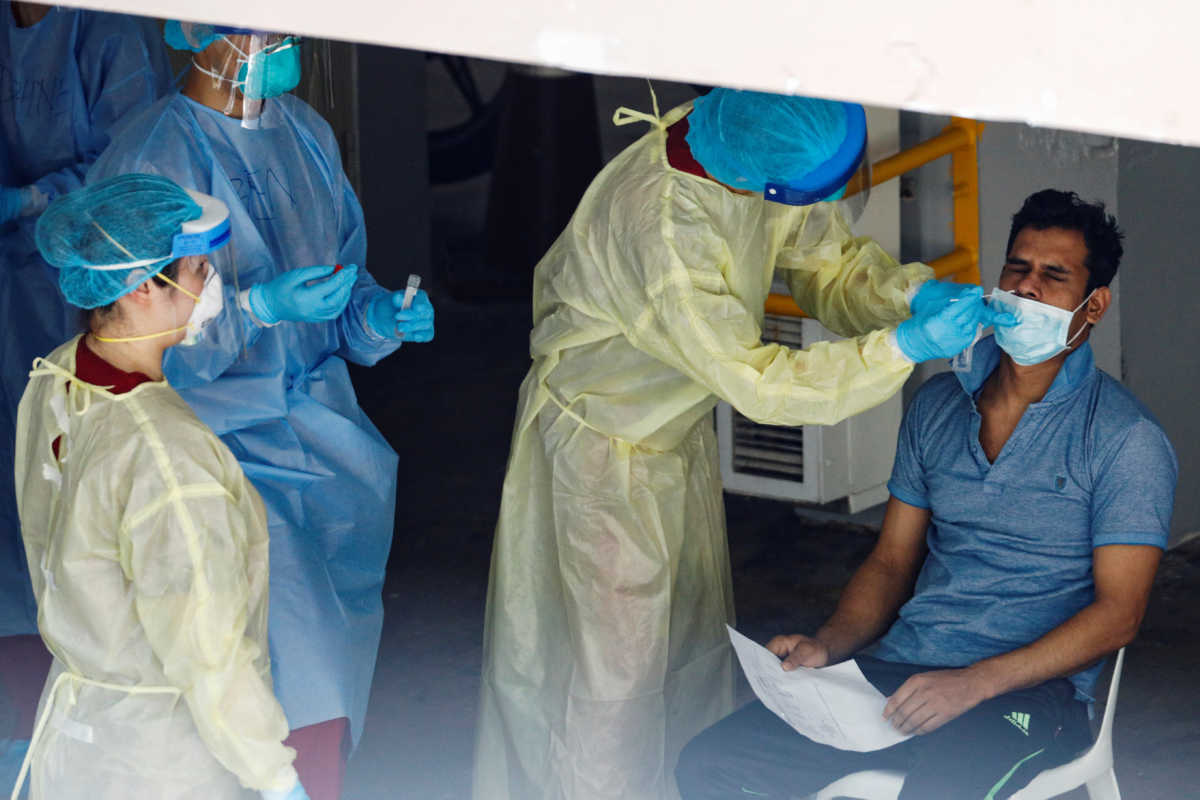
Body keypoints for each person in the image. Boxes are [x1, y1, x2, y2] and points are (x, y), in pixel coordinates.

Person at [473, 87, 1009, 800]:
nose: (822, 203)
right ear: (764, 180)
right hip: (602, 456)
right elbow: (762, 383)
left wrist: (908, 296)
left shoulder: (749, 140)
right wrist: (899, 348)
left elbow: (825, 259)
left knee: (688, 654)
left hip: (669, 437)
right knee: (611, 687)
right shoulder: (665, 235)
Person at [674, 189, 1178, 800]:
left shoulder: (1124, 438)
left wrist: (975, 682)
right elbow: (891, 562)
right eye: (1017, 267)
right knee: (709, 766)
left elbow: (1119, 615)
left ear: (1093, 305)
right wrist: (826, 645)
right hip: (903, 670)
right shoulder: (938, 404)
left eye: (1054, 275)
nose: (1025, 287)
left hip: (1027, 695)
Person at [86, 22, 436, 799]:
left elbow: (342, 281)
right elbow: (134, 337)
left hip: (327, 445)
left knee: (330, 665)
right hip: (216, 449)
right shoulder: (152, 156)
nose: (280, 39)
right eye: (258, 26)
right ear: (193, 28)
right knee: (287, 675)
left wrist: (378, 316)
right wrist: (256, 308)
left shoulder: (306, 133)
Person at [13, 173, 308, 800]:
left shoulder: (58, 374)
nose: (212, 284)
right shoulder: (167, 455)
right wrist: (275, 775)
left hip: (82, 740)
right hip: (163, 765)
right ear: (144, 285)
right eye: (199, 269)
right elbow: (207, 647)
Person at [0, 3, 172, 772]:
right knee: (18, 503)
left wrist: (32, 202)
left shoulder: (108, 34)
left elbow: (128, 176)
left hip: (79, 292)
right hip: (13, 298)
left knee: (82, 491)